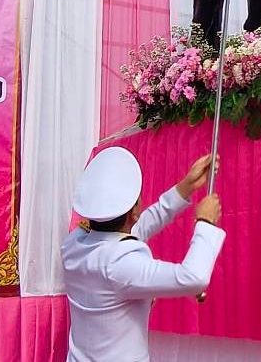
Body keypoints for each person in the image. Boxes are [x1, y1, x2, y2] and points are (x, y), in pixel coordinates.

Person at [62, 147, 225, 362]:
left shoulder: (74, 243)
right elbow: (193, 278)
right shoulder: (119, 263)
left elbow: (133, 231)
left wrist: (185, 187)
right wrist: (205, 222)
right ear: (134, 211)